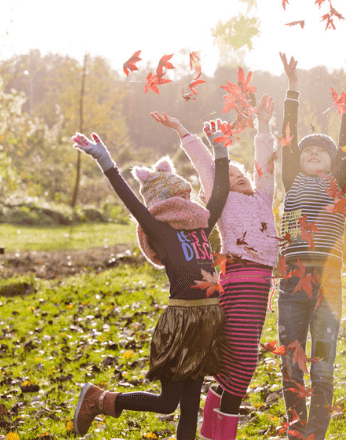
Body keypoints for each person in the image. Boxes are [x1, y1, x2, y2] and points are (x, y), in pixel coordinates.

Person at [71, 127, 230, 440]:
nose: (185, 204)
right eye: (178, 199)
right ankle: (100, 399)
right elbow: (130, 200)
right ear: (165, 204)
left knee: (189, 406)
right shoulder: (161, 232)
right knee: (168, 403)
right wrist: (105, 160)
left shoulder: (200, 227)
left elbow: (220, 195)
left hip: (207, 320)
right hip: (181, 321)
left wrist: (221, 151)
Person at [151, 94, 278, 440]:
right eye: (231, 174)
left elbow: (267, 168)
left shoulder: (263, 198)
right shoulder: (222, 203)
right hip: (237, 281)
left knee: (239, 358)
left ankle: (212, 424)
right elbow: (210, 169)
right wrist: (184, 132)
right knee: (244, 361)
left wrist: (264, 126)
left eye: (243, 175)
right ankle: (220, 432)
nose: (238, 177)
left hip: (262, 286)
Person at [276, 51, 346, 440]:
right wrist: (292, 90)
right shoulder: (291, 179)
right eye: (307, 150)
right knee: (292, 363)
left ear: (333, 162)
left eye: (321, 151)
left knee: (322, 366)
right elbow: (289, 136)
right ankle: (297, 430)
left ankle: (316, 432)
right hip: (293, 283)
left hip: (329, 283)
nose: (312, 153)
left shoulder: (338, 184)